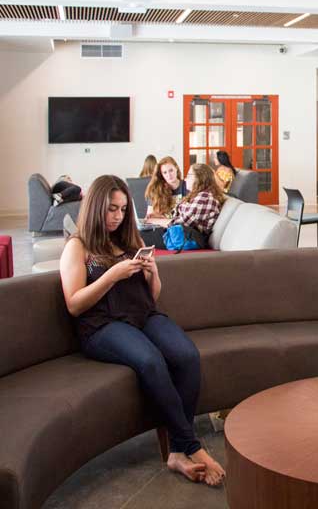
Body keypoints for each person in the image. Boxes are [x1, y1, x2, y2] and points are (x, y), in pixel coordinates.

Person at [59, 175, 225, 485]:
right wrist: (112, 275)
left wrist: (153, 274)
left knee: (187, 356)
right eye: (111, 209)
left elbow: (151, 297)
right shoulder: (77, 246)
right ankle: (192, 446)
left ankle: (176, 453)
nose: (117, 217)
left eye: (123, 210)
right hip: (102, 326)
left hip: (143, 315)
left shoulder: (127, 239)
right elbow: (74, 304)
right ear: (96, 207)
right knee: (150, 361)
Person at [141, 164, 225, 250]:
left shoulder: (205, 198)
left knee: (137, 236)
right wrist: (162, 217)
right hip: (180, 234)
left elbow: (181, 222)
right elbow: (181, 217)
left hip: (185, 238)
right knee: (139, 233)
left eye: (188, 175)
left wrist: (155, 220)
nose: (185, 179)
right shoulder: (199, 195)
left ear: (199, 178)